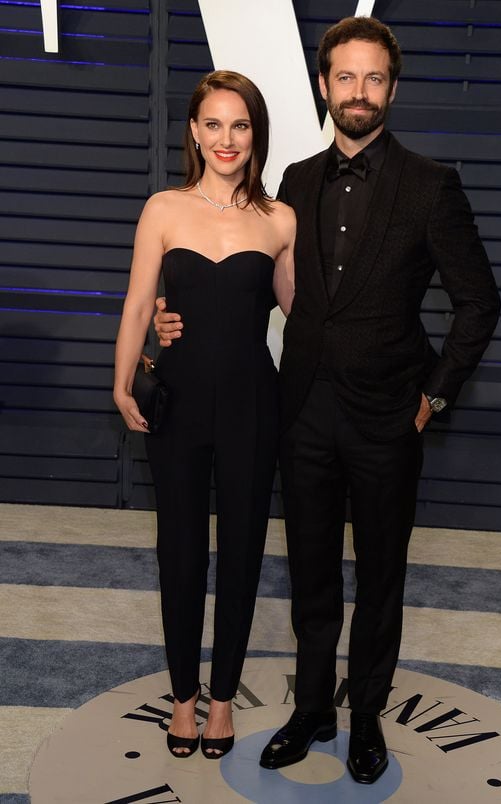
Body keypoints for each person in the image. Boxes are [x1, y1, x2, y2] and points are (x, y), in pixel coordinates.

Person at [154, 16, 501, 784]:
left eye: (374, 78)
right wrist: (173, 315)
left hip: (388, 416)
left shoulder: (431, 186)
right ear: (324, 86)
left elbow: (479, 302)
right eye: (346, 76)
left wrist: (435, 396)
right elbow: (261, 286)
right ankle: (312, 709)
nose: (359, 91)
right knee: (311, 575)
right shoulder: (295, 183)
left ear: (392, 89)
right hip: (301, 410)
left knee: (379, 579)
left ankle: (367, 718)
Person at [114, 70, 295, 760]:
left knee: (244, 554)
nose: (226, 139)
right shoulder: (163, 209)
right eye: (213, 124)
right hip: (180, 402)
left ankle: (222, 704)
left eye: (239, 125)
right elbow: (139, 302)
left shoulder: (280, 221)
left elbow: (303, 316)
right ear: (193, 131)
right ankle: (183, 700)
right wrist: (122, 380)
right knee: (181, 552)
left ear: (255, 135)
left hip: (254, 404)